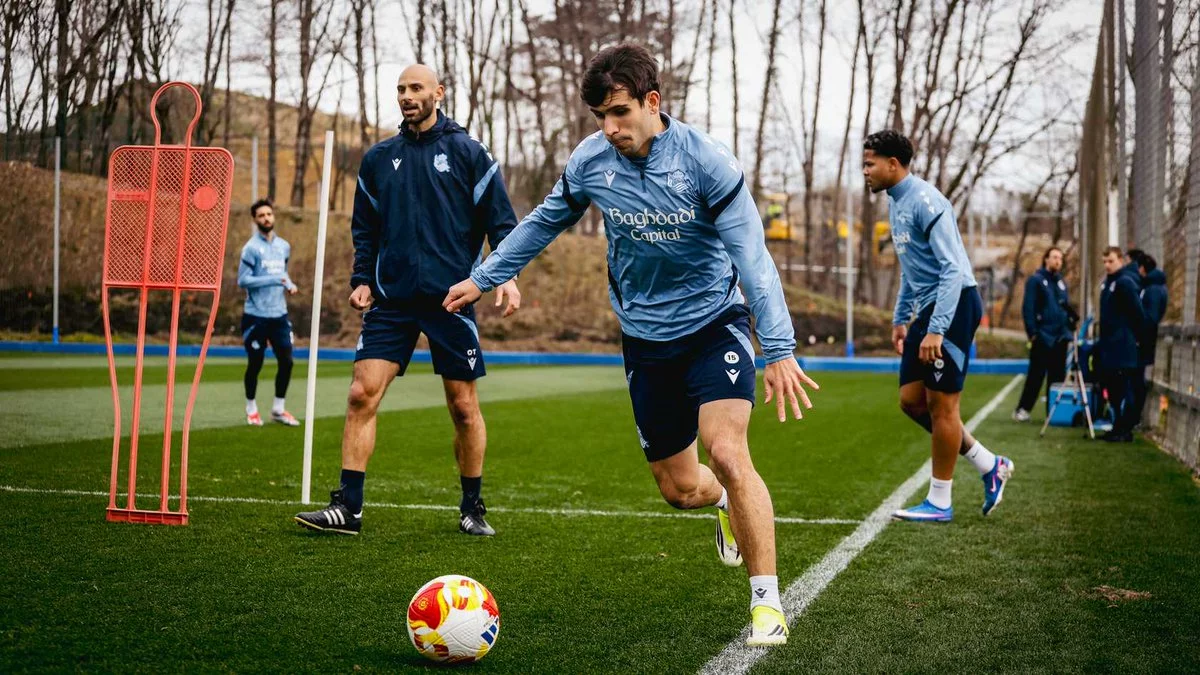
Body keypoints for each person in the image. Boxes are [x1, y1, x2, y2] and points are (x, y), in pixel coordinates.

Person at [443, 44, 818, 646]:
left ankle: (767, 605)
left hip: (714, 323)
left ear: (652, 101)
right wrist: (485, 277)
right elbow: (543, 222)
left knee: (727, 450)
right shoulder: (592, 160)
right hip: (644, 338)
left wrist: (777, 347)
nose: (610, 127)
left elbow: (753, 257)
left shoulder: (706, 162)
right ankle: (723, 502)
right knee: (680, 490)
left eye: (619, 112)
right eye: (600, 117)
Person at [294, 64, 521, 536]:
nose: (406, 96)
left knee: (463, 407)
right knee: (361, 394)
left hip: (451, 298)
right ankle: (349, 508)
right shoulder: (379, 159)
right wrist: (362, 278)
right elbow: (365, 228)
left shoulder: (469, 152)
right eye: (401, 89)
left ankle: (472, 507)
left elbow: (501, 220)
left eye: (416, 88)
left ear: (439, 93)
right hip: (392, 300)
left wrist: (506, 275)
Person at [861, 129, 1013, 523]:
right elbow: (912, 269)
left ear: (893, 164)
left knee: (942, 406)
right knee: (911, 401)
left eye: (870, 164)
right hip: (928, 309)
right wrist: (900, 318)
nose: (865, 171)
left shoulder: (927, 201)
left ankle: (940, 501)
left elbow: (951, 270)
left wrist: (937, 329)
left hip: (955, 304)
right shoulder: (895, 202)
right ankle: (989, 464)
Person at [237, 198, 300, 427]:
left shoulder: (283, 246)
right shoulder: (251, 249)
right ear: (255, 220)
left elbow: (283, 273)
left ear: (274, 216)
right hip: (256, 316)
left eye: (269, 214)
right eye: (261, 215)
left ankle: (278, 409)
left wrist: (289, 284)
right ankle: (251, 409)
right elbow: (243, 280)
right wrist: (273, 279)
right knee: (256, 363)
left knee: (287, 362)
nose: (266, 218)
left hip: (279, 315)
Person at [1013, 247, 1073, 421]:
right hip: (1043, 335)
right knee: (1036, 375)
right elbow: (1028, 307)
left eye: (1060, 258)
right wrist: (1033, 332)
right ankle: (1023, 409)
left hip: (1060, 336)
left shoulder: (1061, 282)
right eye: (1054, 257)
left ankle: (1053, 412)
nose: (1057, 261)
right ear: (1046, 259)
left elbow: (1064, 306)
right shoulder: (1036, 280)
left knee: (1057, 376)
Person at [1096, 246, 1146, 442]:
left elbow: (1138, 313)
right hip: (1109, 346)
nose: (1107, 265)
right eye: (1105, 262)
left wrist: (1133, 338)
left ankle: (1125, 429)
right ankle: (1117, 427)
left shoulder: (1125, 282)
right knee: (1113, 389)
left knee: (1124, 389)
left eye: (1111, 261)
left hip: (1122, 347)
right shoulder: (1108, 283)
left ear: (1121, 261)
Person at [1132, 254, 1168, 427]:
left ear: (1142, 268)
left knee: (1137, 379)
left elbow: (1150, 318)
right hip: (1144, 341)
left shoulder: (1152, 289)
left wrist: (1139, 337)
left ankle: (1135, 416)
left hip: (1144, 342)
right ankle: (1134, 416)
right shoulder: (1153, 287)